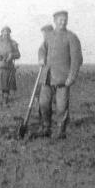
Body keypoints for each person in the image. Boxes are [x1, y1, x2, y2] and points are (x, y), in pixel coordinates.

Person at [37, 11, 83, 139]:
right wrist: (41, 58)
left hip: (63, 78)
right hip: (47, 76)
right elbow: (42, 49)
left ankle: (60, 131)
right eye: (60, 20)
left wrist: (71, 77)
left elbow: (77, 59)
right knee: (43, 104)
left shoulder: (72, 37)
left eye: (65, 20)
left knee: (62, 107)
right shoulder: (49, 36)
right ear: (55, 21)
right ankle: (46, 127)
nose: (63, 22)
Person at [0, 26, 21, 107]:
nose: (6, 33)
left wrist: (12, 55)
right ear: (1, 32)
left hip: (8, 68)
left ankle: (5, 102)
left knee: (6, 87)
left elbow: (18, 54)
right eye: (4, 32)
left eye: (8, 32)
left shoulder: (13, 43)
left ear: (9, 33)